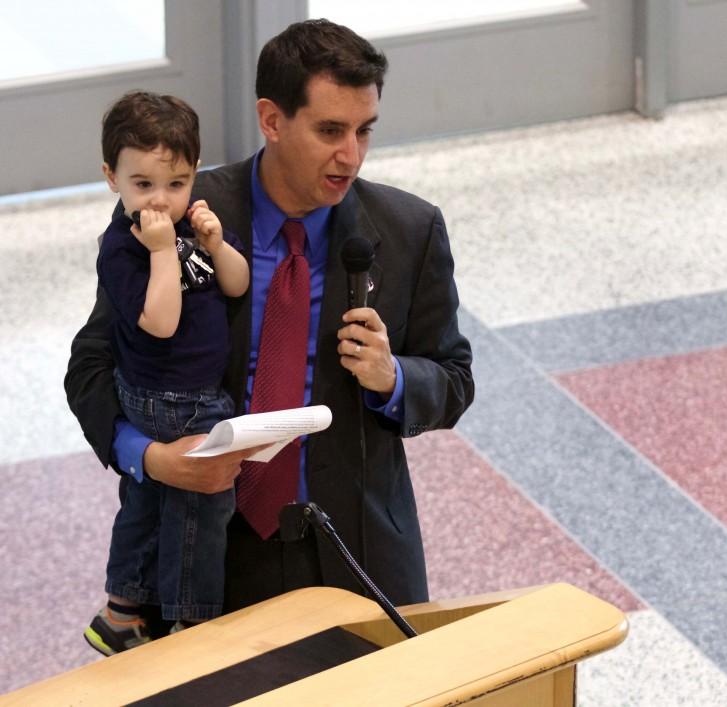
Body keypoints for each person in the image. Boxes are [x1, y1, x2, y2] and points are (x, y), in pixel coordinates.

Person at [65, 19, 474, 645]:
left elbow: (452, 379)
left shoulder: (409, 229)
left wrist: (394, 378)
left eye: (364, 131)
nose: (352, 155)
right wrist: (151, 460)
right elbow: (90, 366)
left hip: (356, 552)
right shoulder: (175, 205)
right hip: (211, 551)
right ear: (272, 119)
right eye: (330, 131)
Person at [81, 91, 250, 655]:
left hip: (189, 389)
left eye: (176, 184)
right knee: (202, 501)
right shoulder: (124, 248)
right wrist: (161, 252)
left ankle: (123, 611)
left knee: (152, 500)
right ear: (112, 178)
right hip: (171, 397)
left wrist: (215, 243)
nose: (160, 200)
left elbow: (235, 283)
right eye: (143, 184)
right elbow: (160, 320)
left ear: (194, 174)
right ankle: (191, 620)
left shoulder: (184, 231)